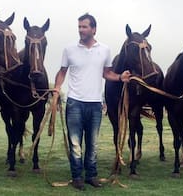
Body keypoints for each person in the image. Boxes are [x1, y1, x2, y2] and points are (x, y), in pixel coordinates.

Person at [53, 13, 130, 190]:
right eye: (79, 27)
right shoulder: (69, 49)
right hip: (74, 103)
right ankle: (77, 177)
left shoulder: (105, 50)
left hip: (95, 104)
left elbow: (107, 73)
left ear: (94, 29)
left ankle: (91, 176)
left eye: (84, 27)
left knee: (93, 144)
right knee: (75, 143)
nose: (81, 30)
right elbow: (62, 71)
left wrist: (120, 77)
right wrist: (57, 88)